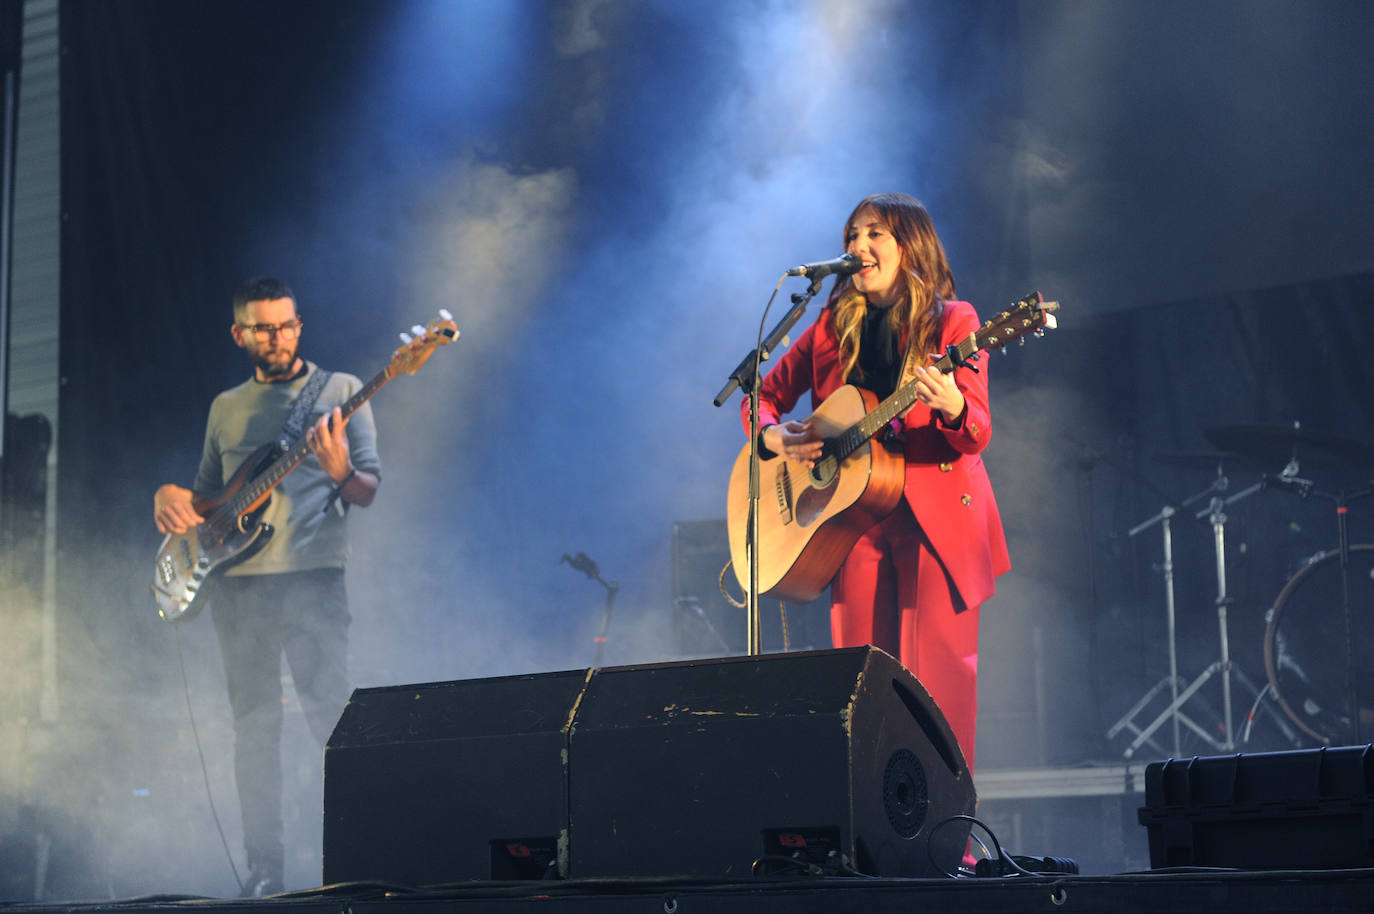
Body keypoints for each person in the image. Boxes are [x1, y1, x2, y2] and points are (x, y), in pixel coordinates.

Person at [741, 193, 1009, 773]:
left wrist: (955, 405)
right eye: (853, 235)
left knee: (937, 688)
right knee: (861, 690)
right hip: (855, 523)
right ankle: (871, 842)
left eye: (875, 234)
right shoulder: (829, 328)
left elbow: (977, 431)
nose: (858, 247)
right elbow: (760, 394)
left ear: (910, 244)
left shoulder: (954, 322)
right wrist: (774, 438)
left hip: (937, 523)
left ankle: (944, 843)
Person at [153, 277, 381, 895]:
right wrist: (168, 496)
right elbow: (207, 501)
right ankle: (264, 871)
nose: (276, 338)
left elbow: (368, 488)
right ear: (239, 334)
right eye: (262, 328)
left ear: (299, 326)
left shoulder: (340, 391)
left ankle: (360, 864)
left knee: (332, 721)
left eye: (285, 326)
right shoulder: (225, 407)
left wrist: (341, 473)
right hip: (238, 589)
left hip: (313, 581)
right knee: (253, 732)